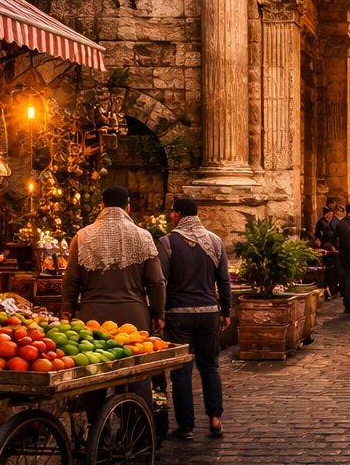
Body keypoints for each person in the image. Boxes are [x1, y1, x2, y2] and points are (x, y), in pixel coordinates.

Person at [62, 187, 165, 406]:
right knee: (136, 376)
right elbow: (156, 282)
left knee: (93, 374)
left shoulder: (83, 236)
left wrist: (67, 311)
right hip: (134, 319)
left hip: (92, 320)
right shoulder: (143, 236)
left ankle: (97, 429)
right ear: (128, 207)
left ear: (102, 205)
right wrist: (158, 313)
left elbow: (71, 281)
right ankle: (136, 430)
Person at [156, 196, 231, 439]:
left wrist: (159, 312)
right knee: (210, 367)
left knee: (182, 372)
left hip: (179, 315)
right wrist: (226, 311)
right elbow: (224, 280)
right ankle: (215, 418)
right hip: (209, 313)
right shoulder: (215, 241)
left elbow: (161, 281)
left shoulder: (167, 243)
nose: (171, 217)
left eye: (172, 213)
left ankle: (186, 427)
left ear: (178, 215)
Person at [334, 203, 350, 313]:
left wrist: (339, 248)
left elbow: (335, 240)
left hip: (345, 255)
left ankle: (347, 304)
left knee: (347, 279)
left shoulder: (340, 224)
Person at [316, 201, 340, 299]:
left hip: (332, 250)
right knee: (330, 271)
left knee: (332, 271)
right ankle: (331, 289)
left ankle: (332, 289)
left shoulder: (331, 222)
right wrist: (329, 246)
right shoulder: (322, 223)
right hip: (327, 251)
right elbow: (322, 237)